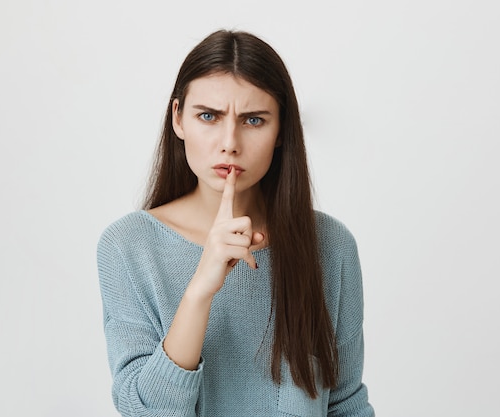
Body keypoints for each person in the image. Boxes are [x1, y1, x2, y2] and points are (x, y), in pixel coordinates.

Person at [97, 29, 375, 417]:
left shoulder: (330, 245)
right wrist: (200, 291)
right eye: (208, 116)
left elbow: (345, 405)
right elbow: (145, 410)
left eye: (254, 120)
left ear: (281, 130)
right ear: (178, 119)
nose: (230, 142)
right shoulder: (129, 247)